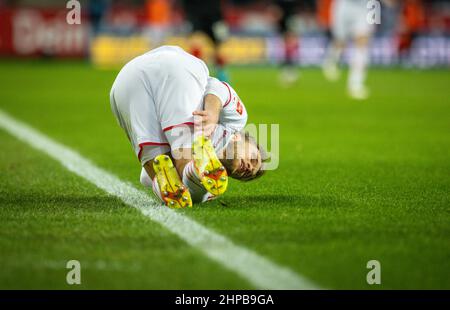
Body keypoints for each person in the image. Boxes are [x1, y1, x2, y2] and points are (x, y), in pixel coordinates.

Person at [109, 45, 266, 208]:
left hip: (125, 82)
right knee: (185, 156)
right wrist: (212, 114)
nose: (248, 167)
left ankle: (168, 184)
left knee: (155, 159)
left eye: (247, 175)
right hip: (176, 68)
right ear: (244, 138)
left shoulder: (219, 163)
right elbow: (218, 87)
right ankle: (195, 173)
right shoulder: (236, 122)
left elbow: (144, 178)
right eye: (253, 159)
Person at [322, 0, 375, 100]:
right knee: (340, 41)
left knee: (362, 43)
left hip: (365, 7)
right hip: (343, 5)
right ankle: (332, 60)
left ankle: (355, 84)